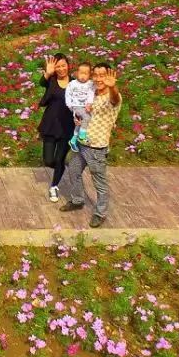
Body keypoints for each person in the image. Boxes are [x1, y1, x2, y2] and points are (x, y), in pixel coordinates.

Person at [59, 61, 123, 228]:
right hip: (81, 144)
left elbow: (115, 100)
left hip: (97, 148)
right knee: (72, 168)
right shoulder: (91, 92)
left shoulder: (112, 96)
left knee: (99, 182)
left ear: (109, 76)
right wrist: (77, 120)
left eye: (103, 75)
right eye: (96, 75)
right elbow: (85, 112)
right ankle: (78, 199)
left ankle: (100, 213)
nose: (99, 79)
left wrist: (113, 88)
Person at [37, 53, 73, 203]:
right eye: (58, 66)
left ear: (68, 66)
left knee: (59, 159)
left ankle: (54, 186)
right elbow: (41, 83)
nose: (61, 69)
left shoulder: (75, 82)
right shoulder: (51, 80)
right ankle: (61, 166)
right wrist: (48, 73)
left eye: (63, 65)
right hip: (50, 125)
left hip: (67, 126)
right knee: (48, 160)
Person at [65, 63, 96, 152]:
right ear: (76, 73)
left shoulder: (90, 84)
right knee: (87, 117)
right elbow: (68, 95)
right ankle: (82, 136)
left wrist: (89, 103)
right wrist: (70, 106)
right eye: (81, 73)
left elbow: (91, 93)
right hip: (76, 106)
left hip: (85, 107)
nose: (83, 76)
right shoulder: (72, 84)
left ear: (89, 75)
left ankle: (73, 140)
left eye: (86, 73)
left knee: (80, 123)